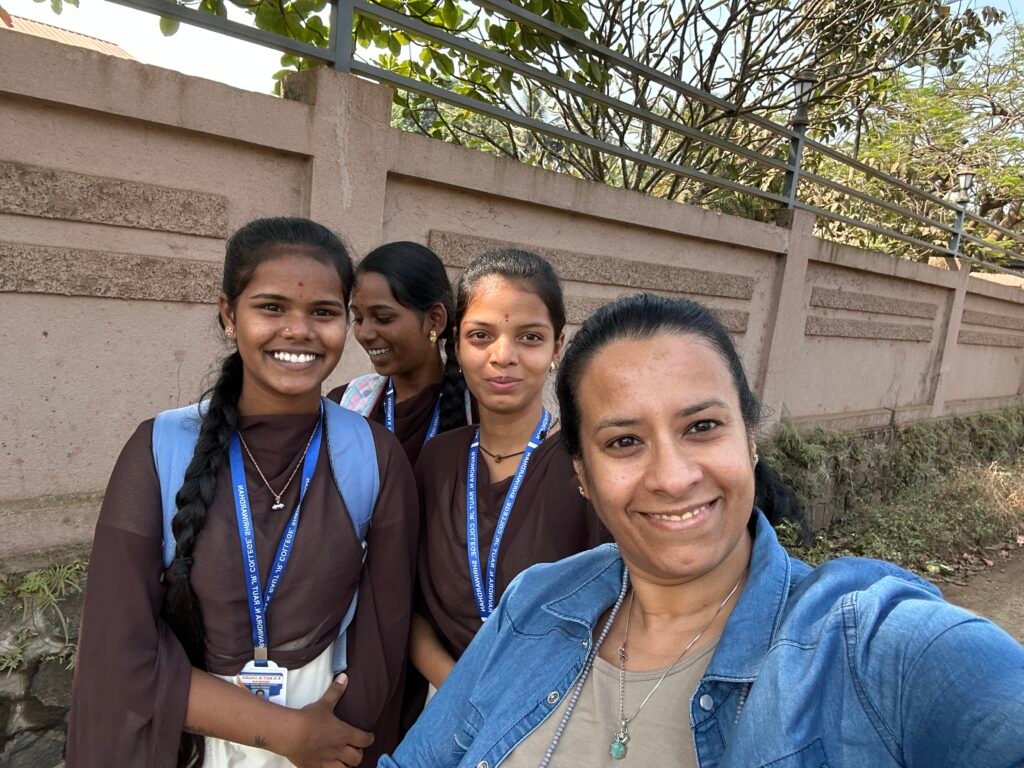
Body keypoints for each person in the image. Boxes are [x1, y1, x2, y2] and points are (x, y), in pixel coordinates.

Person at [383, 293, 1024, 767]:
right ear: (581, 473)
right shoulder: (535, 605)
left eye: (702, 427)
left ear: (751, 438)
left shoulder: (865, 642)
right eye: (625, 440)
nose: (671, 475)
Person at [68, 218, 418, 768]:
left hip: (327, 741)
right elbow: (119, 648)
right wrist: (281, 733)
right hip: (185, 738)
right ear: (230, 316)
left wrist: (335, 744)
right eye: (272, 307)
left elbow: (383, 639)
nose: (299, 331)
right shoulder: (159, 450)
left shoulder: (373, 457)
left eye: (323, 312)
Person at [409, 248, 608, 691]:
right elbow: (410, 606)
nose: (503, 355)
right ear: (456, 345)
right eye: (481, 336)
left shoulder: (588, 466)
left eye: (529, 337)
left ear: (558, 346)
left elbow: (617, 612)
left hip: (556, 709)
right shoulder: (436, 462)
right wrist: (462, 691)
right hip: (447, 702)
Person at [330, 242, 471, 467]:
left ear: (435, 320)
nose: (364, 333)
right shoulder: (345, 405)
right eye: (358, 319)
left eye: (383, 318)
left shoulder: (476, 410)